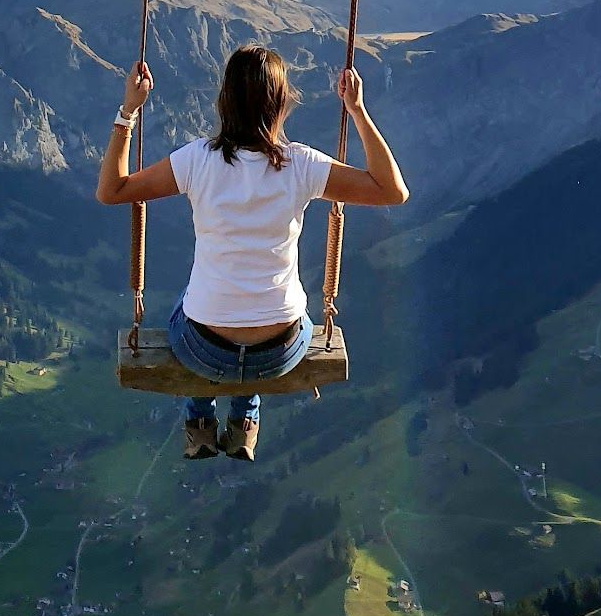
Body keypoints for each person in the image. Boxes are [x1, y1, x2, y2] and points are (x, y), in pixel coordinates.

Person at [96, 45, 408, 463]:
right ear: (281, 104)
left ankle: (200, 421)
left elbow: (111, 191)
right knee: (278, 307)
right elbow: (392, 191)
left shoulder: (196, 161)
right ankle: (245, 419)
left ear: (225, 101)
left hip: (204, 350)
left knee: (189, 304)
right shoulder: (302, 165)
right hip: (279, 352)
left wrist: (128, 112)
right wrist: (357, 112)